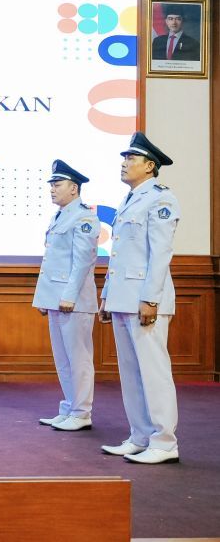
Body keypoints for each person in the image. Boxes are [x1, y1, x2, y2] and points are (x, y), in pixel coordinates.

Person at [99, 132, 181, 465]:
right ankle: (140, 436)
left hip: (146, 300)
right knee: (131, 372)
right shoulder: (130, 199)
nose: (124, 163)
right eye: (124, 158)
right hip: (123, 298)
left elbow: (160, 254)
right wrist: (107, 295)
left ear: (150, 166)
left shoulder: (161, 198)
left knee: (154, 371)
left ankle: (164, 442)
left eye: (130, 159)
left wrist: (151, 299)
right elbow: (119, 255)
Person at [32, 160, 99, 432]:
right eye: (51, 185)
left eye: (57, 185)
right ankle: (70, 407)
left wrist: (69, 296)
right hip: (56, 298)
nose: (51, 190)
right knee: (63, 358)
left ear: (73, 188)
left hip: (75, 300)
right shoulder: (60, 215)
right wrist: (44, 299)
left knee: (78, 357)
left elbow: (83, 261)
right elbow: (52, 262)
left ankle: (82, 412)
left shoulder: (84, 217)